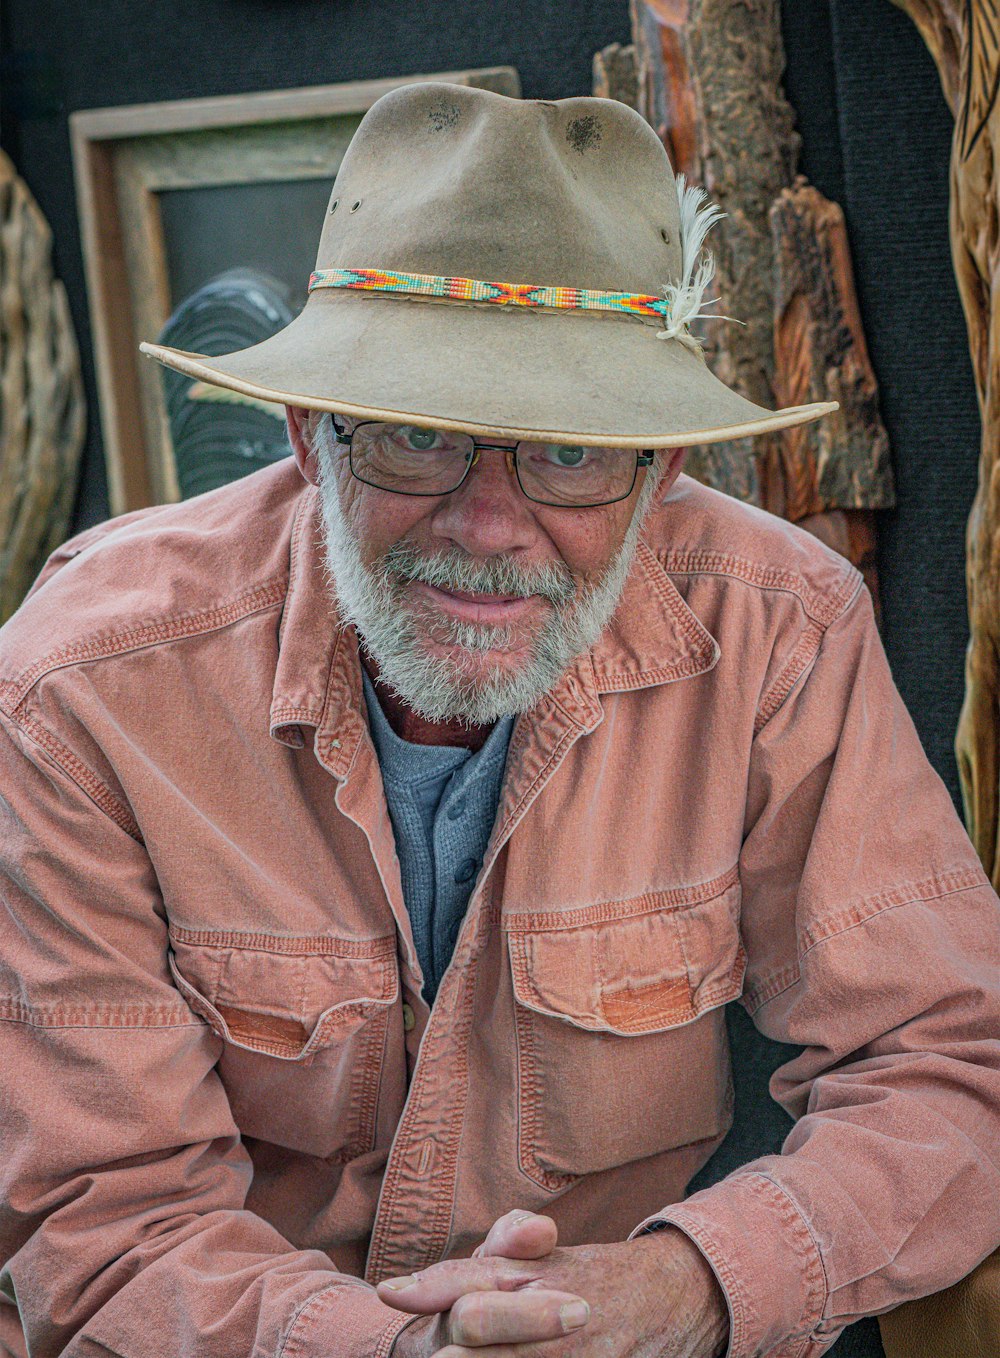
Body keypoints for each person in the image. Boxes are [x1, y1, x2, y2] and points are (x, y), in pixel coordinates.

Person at [0, 81, 997, 1358]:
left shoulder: (776, 629)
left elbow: (953, 1063)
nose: (488, 525)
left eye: (568, 452)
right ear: (311, 437)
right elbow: (106, 1220)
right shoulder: (79, 689)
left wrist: (691, 1288)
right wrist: (406, 1349)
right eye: (420, 436)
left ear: (663, 469)